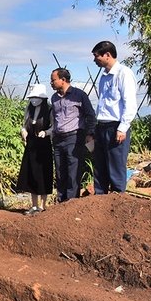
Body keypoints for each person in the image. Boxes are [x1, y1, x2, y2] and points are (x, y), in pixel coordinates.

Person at [92, 41, 137, 193]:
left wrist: (122, 128)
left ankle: (117, 202)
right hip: (102, 125)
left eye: (96, 56)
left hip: (116, 126)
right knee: (100, 166)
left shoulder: (124, 73)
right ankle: (99, 202)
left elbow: (129, 103)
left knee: (116, 166)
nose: (95, 60)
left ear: (107, 55)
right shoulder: (104, 77)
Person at [50, 67, 96, 202]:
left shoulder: (79, 95)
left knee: (73, 170)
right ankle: (61, 201)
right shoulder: (54, 98)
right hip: (58, 138)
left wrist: (89, 133)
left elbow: (90, 115)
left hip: (74, 137)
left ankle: (71, 202)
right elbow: (54, 118)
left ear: (63, 80)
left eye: (53, 80)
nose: (51, 83)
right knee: (60, 171)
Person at [16, 84, 54, 215]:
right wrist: (23, 131)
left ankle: (43, 205)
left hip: (43, 145)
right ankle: (34, 205)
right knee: (31, 173)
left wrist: (47, 132)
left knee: (43, 174)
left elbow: (54, 127)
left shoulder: (49, 109)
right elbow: (24, 124)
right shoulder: (29, 109)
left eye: (36, 97)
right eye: (32, 97)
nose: (34, 100)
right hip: (31, 144)